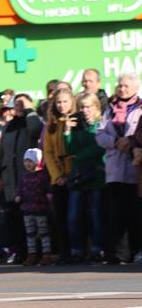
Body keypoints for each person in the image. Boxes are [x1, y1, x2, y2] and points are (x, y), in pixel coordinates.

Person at [95, 72, 142, 264]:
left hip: (134, 168)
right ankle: (115, 253)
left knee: (135, 213)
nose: (122, 89)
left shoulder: (140, 108)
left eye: (126, 86)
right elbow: (100, 135)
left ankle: (136, 250)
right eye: (120, 85)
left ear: (135, 88)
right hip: (114, 169)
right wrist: (115, 142)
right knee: (115, 214)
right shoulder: (110, 109)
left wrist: (130, 142)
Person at [0, 94, 44, 263]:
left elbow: (35, 130)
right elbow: (0, 152)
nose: (19, 106)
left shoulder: (33, 121)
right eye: (17, 104)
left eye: (23, 103)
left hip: (30, 181)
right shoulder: (9, 126)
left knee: (32, 222)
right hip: (10, 180)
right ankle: (19, 252)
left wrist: (30, 112)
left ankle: (36, 253)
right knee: (13, 219)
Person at [65, 93, 106, 263]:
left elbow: (100, 147)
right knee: (73, 215)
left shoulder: (101, 125)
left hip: (96, 175)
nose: (85, 110)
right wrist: (67, 131)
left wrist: (79, 155)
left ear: (96, 107)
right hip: (78, 176)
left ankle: (97, 248)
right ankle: (77, 250)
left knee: (96, 215)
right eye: (82, 107)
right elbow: (70, 149)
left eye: (89, 106)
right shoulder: (77, 125)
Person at [42, 88, 76, 261]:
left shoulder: (76, 121)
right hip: (58, 178)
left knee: (76, 216)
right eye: (59, 102)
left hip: (76, 175)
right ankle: (64, 253)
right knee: (60, 217)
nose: (62, 105)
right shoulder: (52, 124)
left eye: (65, 101)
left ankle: (80, 250)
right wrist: (57, 176)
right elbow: (47, 152)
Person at [16, 148, 52, 266]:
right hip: (27, 209)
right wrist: (18, 196)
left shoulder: (43, 176)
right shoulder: (23, 176)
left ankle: (46, 253)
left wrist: (49, 196)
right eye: (26, 161)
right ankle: (32, 254)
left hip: (40, 208)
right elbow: (20, 189)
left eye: (30, 161)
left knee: (43, 232)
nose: (28, 164)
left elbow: (48, 188)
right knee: (30, 233)